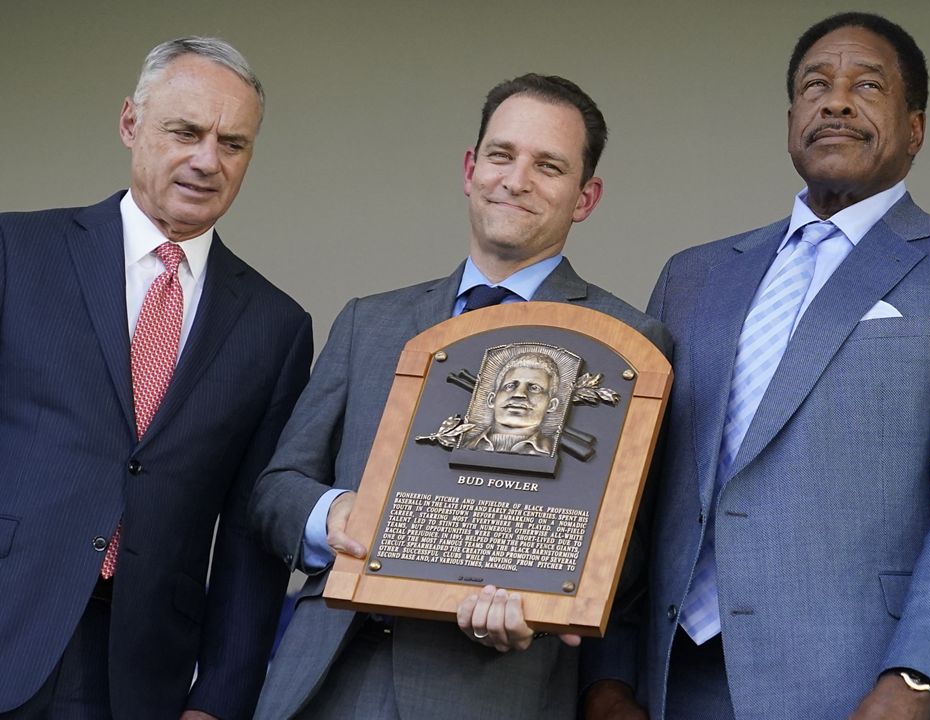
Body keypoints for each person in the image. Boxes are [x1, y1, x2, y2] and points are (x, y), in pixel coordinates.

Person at [582, 12, 930, 720]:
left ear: (915, 129)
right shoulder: (694, 277)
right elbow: (637, 488)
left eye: (867, 84)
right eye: (815, 85)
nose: (836, 100)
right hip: (675, 680)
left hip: (861, 683)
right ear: (792, 117)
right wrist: (609, 674)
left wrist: (919, 673)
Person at [249, 73, 670, 720]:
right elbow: (277, 488)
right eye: (501, 155)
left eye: (548, 165)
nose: (516, 179)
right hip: (321, 678)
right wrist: (334, 516)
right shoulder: (371, 322)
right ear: (471, 168)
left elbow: (635, 551)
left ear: (585, 198)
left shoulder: (627, 345)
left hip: (488, 687)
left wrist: (540, 598)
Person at [0, 37, 312, 720]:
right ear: (129, 124)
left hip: (138, 677)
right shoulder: (15, 252)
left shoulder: (276, 326)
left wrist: (219, 700)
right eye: (186, 132)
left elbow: (248, 543)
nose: (208, 160)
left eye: (233, 144)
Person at [464, 351, 565, 455]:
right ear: (492, 400)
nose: (519, 394)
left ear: (551, 405)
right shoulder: (466, 446)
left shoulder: (554, 451)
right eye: (510, 386)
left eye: (535, 388)